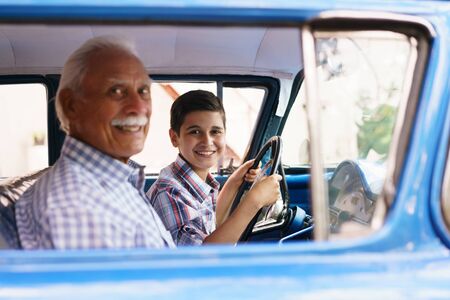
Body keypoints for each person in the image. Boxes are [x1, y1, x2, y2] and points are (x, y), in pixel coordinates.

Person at [15, 36, 175, 249]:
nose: (138, 107)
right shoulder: (75, 206)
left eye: (143, 91)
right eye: (116, 91)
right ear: (71, 105)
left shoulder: (113, 181)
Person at [147, 90, 281, 246]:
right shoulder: (169, 192)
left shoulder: (194, 182)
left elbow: (210, 227)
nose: (207, 141)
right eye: (195, 132)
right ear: (174, 138)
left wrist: (234, 182)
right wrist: (254, 201)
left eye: (215, 131)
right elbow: (204, 258)